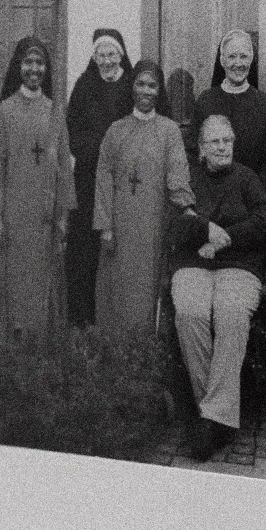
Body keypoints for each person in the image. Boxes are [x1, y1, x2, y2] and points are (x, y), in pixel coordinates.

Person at [169, 114, 266, 461]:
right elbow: (175, 222)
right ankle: (216, 416)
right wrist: (205, 230)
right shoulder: (188, 179)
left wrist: (223, 239)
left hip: (239, 266)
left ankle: (209, 419)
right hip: (193, 265)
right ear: (201, 147)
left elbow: (263, 225)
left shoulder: (247, 179)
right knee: (190, 313)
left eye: (227, 141)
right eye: (214, 142)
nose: (222, 147)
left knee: (231, 314)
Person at [93, 60, 194, 335]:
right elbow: (104, 178)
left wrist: (187, 209)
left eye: (152, 85)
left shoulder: (169, 130)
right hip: (120, 225)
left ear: (159, 91)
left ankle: (147, 348)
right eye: (141, 84)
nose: (146, 91)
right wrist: (105, 226)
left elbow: (177, 176)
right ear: (132, 87)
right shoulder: (116, 130)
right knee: (118, 288)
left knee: (148, 290)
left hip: (153, 224)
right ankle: (117, 348)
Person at [0, 34, 71, 340]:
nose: (34, 69)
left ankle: (40, 342)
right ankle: (13, 342)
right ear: (18, 67)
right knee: (14, 276)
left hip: (44, 215)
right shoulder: (5, 111)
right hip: (14, 213)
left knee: (42, 278)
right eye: (28, 62)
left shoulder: (54, 111)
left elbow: (64, 166)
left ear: (47, 69)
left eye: (40, 63)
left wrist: (63, 215)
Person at [64, 29, 133, 327]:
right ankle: (83, 319)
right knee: (85, 248)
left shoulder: (131, 85)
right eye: (100, 55)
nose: (106, 61)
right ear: (94, 57)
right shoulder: (84, 85)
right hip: (88, 179)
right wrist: (97, 149)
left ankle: (115, 318)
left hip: (124, 180)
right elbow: (71, 130)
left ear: (121, 55)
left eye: (111, 54)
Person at [192, 29, 266, 176]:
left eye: (243, 56)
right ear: (222, 60)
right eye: (232, 56)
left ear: (251, 60)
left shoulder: (264, 105)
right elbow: (193, 152)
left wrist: (255, 187)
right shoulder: (206, 101)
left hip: (253, 188)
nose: (238, 63)